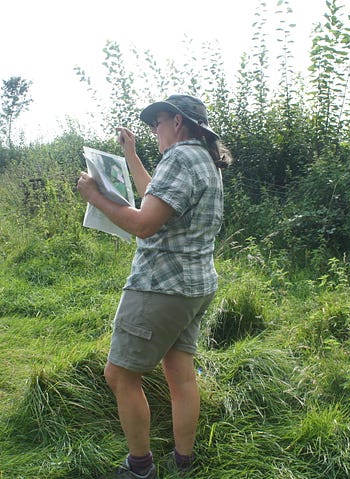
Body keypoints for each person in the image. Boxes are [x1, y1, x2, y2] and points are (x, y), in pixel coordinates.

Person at [76, 94, 233, 479]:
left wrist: (94, 196)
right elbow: (155, 197)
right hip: (195, 286)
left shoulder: (180, 158)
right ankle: (183, 462)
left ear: (177, 122)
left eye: (157, 122)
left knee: (120, 375)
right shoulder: (203, 160)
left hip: (161, 286)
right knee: (180, 376)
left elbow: (145, 223)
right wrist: (131, 154)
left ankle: (140, 468)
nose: (154, 130)